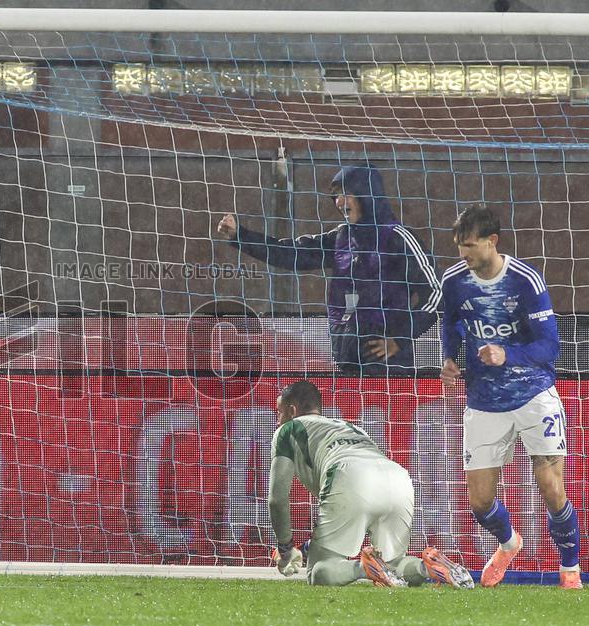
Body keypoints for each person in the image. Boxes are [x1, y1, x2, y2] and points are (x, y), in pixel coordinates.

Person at [439, 205, 581, 589]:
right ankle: (508, 543)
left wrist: (508, 354)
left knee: (552, 488)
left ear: (492, 241)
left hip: (535, 394)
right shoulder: (454, 281)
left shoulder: (525, 281)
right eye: (458, 246)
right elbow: (450, 321)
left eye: (469, 245)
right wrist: (449, 358)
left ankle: (570, 569)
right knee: (480, 502)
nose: (462, 254)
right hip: (484, 401)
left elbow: (550, 346)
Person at [215, 165, 440, 375]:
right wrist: (240, 236)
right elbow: (291, 252)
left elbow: (437, 293)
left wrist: (400, 339)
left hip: (387, 364)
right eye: (336, 195)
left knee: (388, 417)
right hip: (345, 355)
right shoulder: (340, 237)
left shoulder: (398, 238)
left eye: (346, 193)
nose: (339, 201)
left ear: (367, 194)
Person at [269, 380, 473, 588]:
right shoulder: (350, 427)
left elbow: (277, 499)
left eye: (279, 412)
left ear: (292, 410)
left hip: (349, 476)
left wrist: (285, 548)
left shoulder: (287, 430)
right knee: (393, 564)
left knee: (318, 573)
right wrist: (304, 548)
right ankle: (427, 567)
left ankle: (364, 568)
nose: (277, 421)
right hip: (396, 477)